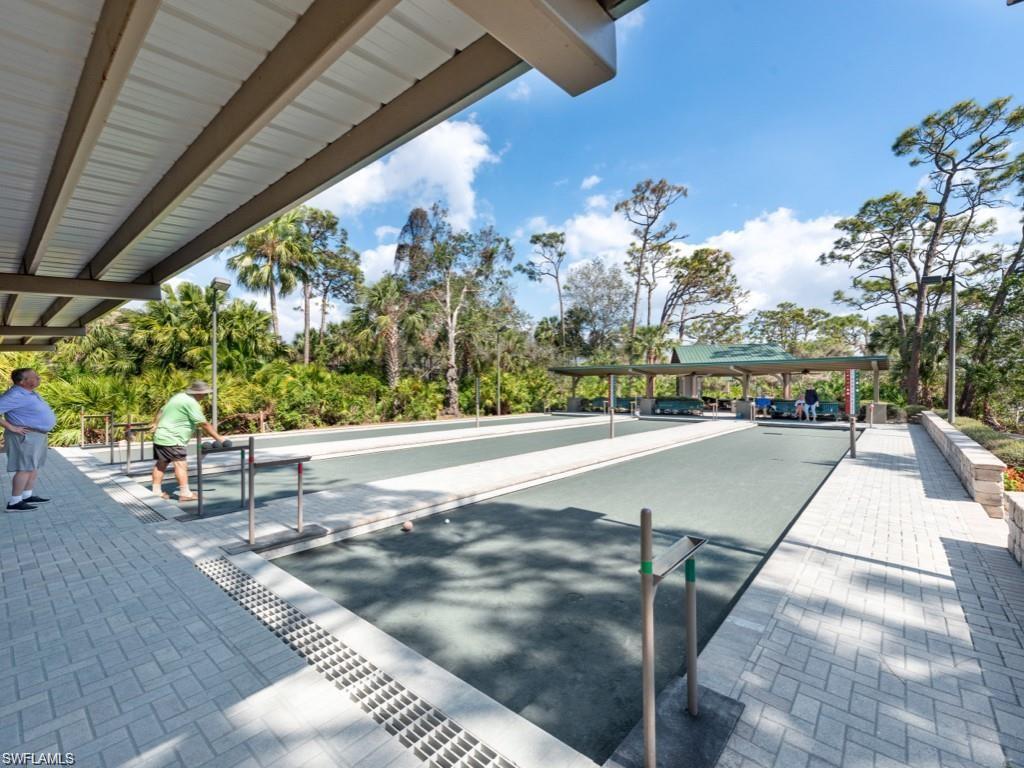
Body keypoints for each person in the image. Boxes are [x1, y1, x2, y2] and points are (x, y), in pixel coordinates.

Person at [151, 381, 225, 502]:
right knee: (181, 465)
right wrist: (219, 438)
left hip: (161, 436)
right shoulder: (191, 403)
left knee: (161, 464)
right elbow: (203, 423)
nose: (205, 396)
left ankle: (156, 491)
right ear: (199, 393)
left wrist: (155, 424)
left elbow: (161, 410)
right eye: (205, 394)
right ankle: (185, 493)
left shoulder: (178, 397)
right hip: (174, 438)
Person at [0, 368, 56, 511]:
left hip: (37, 435)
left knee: (32, 467)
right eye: (34, 377)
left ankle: (26, 496)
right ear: (22, 381)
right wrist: (11, 427)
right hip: (25, 436)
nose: (38, 378)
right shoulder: (15, 395)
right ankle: (14, 502)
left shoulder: (29, 393)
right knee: (24, 468)